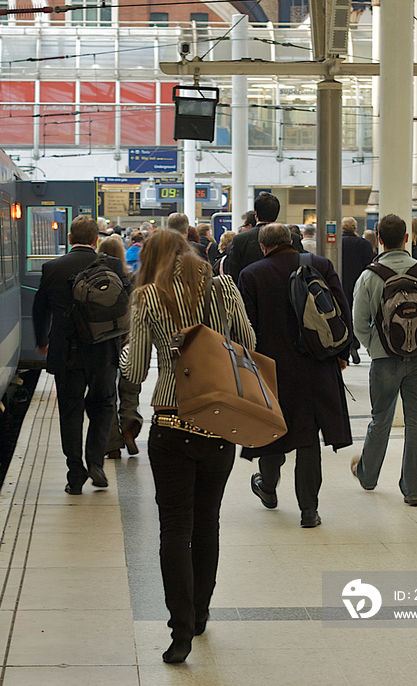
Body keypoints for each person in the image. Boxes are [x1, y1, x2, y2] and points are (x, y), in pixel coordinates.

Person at [120, 229, 255, 664]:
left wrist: (127, 352)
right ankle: (200, 612)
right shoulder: (224, 286)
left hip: (171, 424)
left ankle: (180, 633)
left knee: (174, 528)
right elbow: (249, 345)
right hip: (218, 424)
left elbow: (136, 370)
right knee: (207, 522)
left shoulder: (147, 298)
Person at [237, 223, 353, 528]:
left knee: (273, 430)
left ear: (264, 247)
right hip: (316, 365)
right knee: (308, 440)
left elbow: (246, 329)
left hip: (272, 370)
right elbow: (341, 311)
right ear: (291, 241)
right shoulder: (320, 266)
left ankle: (269, 487)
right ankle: (308, 511)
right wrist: (341, 355)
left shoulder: (251, 275)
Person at [351, 214, 417, 505]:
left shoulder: (370, 276)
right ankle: (414, 489)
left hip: (384, 360)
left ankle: (368, 476)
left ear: (379, 239)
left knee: (380, 419)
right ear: (407, 238)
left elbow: (359, 323)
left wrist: (375, 347)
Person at [32, 215, 132, 494]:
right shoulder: (111, 265)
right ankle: (96, 464)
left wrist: (41, 341)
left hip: (67, 355)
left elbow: (40, 309)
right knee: (102, 407)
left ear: (68, 238)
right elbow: (125, 302)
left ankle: (75, 473)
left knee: (70, 413)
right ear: (96, 239)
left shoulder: (52, 267)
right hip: (104, 352)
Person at [99, 235, 143, 459]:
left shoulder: (94, 277)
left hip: (102, 341)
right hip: (128, 337)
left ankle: (112, 444)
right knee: (130, 386)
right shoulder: (131, 277)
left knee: (107, 393)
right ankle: (129, 429)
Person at [224, 192, 305, 283]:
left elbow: (232, 276)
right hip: (287, 294)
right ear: (276, 213)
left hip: (249, 293)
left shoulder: (240, 240)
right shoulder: (293, 238)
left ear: (256, 214)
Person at [341, 216, 374, 365]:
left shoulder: (337, 243)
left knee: (343, 315)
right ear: (355, 228)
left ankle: (346, 347)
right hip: (359, 283)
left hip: (341, 284)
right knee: (359, 314)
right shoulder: (364, 244)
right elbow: (369, 265)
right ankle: (356, 343)